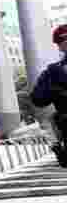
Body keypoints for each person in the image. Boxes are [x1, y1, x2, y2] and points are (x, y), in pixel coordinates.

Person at [30, 24, 67, 167]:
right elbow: (37, 98)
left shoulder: (53, 71)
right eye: (63, 42)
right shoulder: (53, 71)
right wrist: (56, 91)